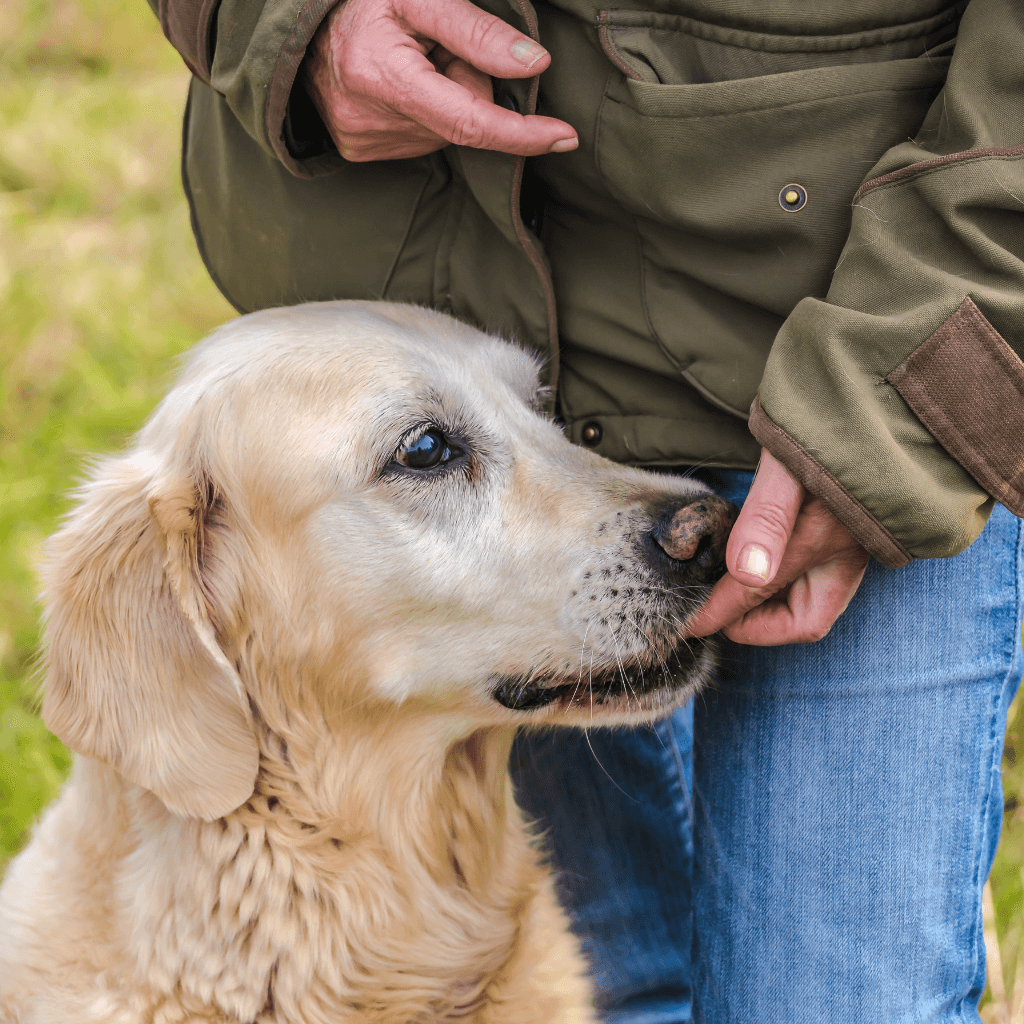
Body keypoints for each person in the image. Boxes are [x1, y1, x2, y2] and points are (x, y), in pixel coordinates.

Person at [146, 0, 1024, 1017]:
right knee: (614, 986)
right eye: (427, 455)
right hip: (428, 264)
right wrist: (284, 22)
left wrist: (889, 410)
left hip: (862, 291)